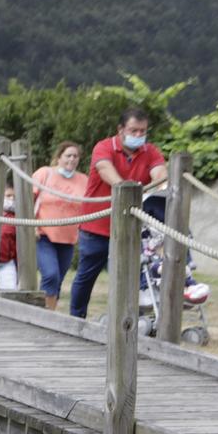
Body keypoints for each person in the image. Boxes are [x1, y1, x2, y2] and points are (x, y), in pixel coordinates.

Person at [69, 108, 167, 319]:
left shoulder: (151, 151)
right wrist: (126, 188)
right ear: (121, 129)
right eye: (134, 130)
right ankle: (76, 318)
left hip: (130, 228)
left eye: (143, 131)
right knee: (86, 277)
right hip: (96, 226)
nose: (139, 135)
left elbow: (160, 173)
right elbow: (105, 169)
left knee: (126, 276)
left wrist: (159, 187)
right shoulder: (104, 147)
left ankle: (123, 320)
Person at [31, 141, 89, 310]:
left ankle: (49, 313)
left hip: (68, 238)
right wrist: (31, 225)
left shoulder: (83, 180)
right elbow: (28, 198)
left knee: (58, 280)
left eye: (76, 156)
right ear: (59, 157)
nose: (72, 159)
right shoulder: (44, 173)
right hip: (43, 234)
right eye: (68, 155)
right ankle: (45, 315)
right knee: (50, 275)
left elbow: (88, 206)